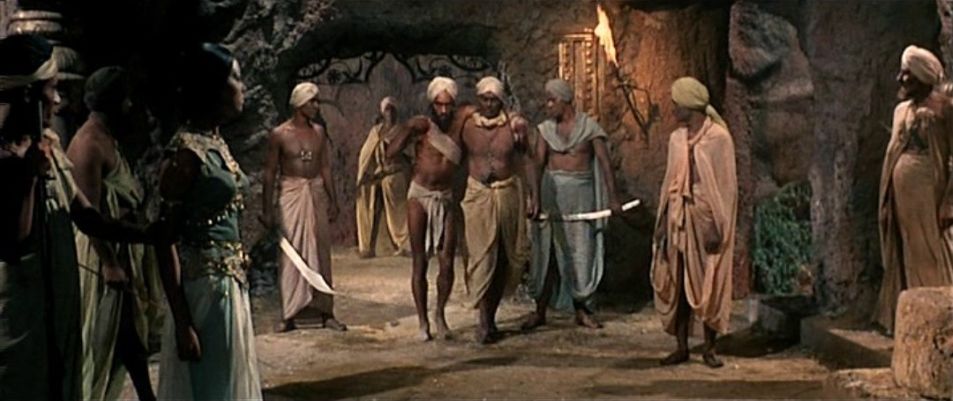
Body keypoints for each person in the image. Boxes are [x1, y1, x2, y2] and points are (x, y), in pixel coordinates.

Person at [0, 34, 156, 401]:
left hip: (57, 311)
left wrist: (147, 234)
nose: (57, 100)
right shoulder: (7, 159)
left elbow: (85, 214)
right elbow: (13, 241)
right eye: (51, 89)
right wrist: (28, 176)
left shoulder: (49, 148)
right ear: (28, 94)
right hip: (20, 317)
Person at [154, 42, 262, 400]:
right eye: (236, 78)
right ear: (213, 86)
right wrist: (182, 322)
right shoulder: (187, 154)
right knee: (211, 386)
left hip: (229, 287)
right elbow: (164, 238)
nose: (242, 87)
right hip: (204, 292)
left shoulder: (215, 142)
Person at [67, 66, 160, 401]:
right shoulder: (88, 144)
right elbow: (88, 213)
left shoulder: (107, 137)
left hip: (120, 249)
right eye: (126, 99)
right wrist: (108, 262)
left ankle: (146, 395)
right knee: (107, 333)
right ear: (114, 101)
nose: (131, 106)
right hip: (101, 253)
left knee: (128, 328)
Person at [523, 78, 622, 332]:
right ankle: (540, 310)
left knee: (581, 252)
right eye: (547, 100)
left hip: (581, 197)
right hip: (552, 196)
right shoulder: (545, 130)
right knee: (546, 254)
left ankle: (582, 310)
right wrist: (535, 197)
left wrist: (613, 198)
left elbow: (605, 163)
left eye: (552, 100)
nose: (548, 105)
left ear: (566, 101)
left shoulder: (589, 128)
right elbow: (537, 164)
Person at [651, 76, 736, 369]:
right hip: (679, 217)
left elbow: (724, 188)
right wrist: (663, 222)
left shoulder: (719, 139)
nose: (673, 108)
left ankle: (710, 348)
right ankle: (681, 346)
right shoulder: (677, 139)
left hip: (705, 218)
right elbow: (669, 184)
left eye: (677, 103)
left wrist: (715, 225)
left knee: (707, 281)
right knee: (677, 280)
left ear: (690, 104)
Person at [875, 45, 953, 334]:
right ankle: (912, 320)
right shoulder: (901, 111)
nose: (901, 79)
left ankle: (941, 319)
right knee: (908, 250)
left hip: (930, 193)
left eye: (907, 73)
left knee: (934, 250)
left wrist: (949, 202)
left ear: (923, 76)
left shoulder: (945, 109)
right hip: (902, 197)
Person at [262, 82, 345, 333]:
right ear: (299, 104)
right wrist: (267, 210)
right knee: (291, 253)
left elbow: (325, 167)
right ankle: (289, 314)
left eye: (317, 101)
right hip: (291, 194)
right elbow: (270, 172)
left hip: (315, 191)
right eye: (312, 102)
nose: (317, 106)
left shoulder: (319, 132)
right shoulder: (279, 134)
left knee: (320, 251)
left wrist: (333, 200)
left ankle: (326, 312)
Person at [386, 77, 464, 341]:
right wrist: (408, 129)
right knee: (419, 261)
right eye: (439, 105)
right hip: (420, 195)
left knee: (447, 261)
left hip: (446, 197)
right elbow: (391, 152)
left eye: (448, 105)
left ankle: (440, 314)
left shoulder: (460, 126)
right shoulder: (423, 126)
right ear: (432, 104)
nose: (444, 110)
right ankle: (422, 321)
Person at [458, 76, 532, 344]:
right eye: (485, 99)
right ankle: (483, 320)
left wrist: (533, 196)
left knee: (503, 256)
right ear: (478, 99)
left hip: (506, 193)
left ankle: (489, 319)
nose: (489, 104)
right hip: (477, 195)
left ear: (501, 101)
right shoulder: (466, 124)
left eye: (494, 100)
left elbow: (527, 159)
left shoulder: (513, 125)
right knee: (480, 256)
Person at [356, 96, 411, 258]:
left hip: (395, 175)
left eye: (392, 109)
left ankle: (403, 244)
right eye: (387, 109)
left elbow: (408, 157)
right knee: (371, 206)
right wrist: (366, 173)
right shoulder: (376, 132)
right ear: (382, 112)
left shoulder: (401, 131)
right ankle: (367, 246)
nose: (390, 113)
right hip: (377, 175)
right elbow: (366, 154)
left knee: (399, 212)